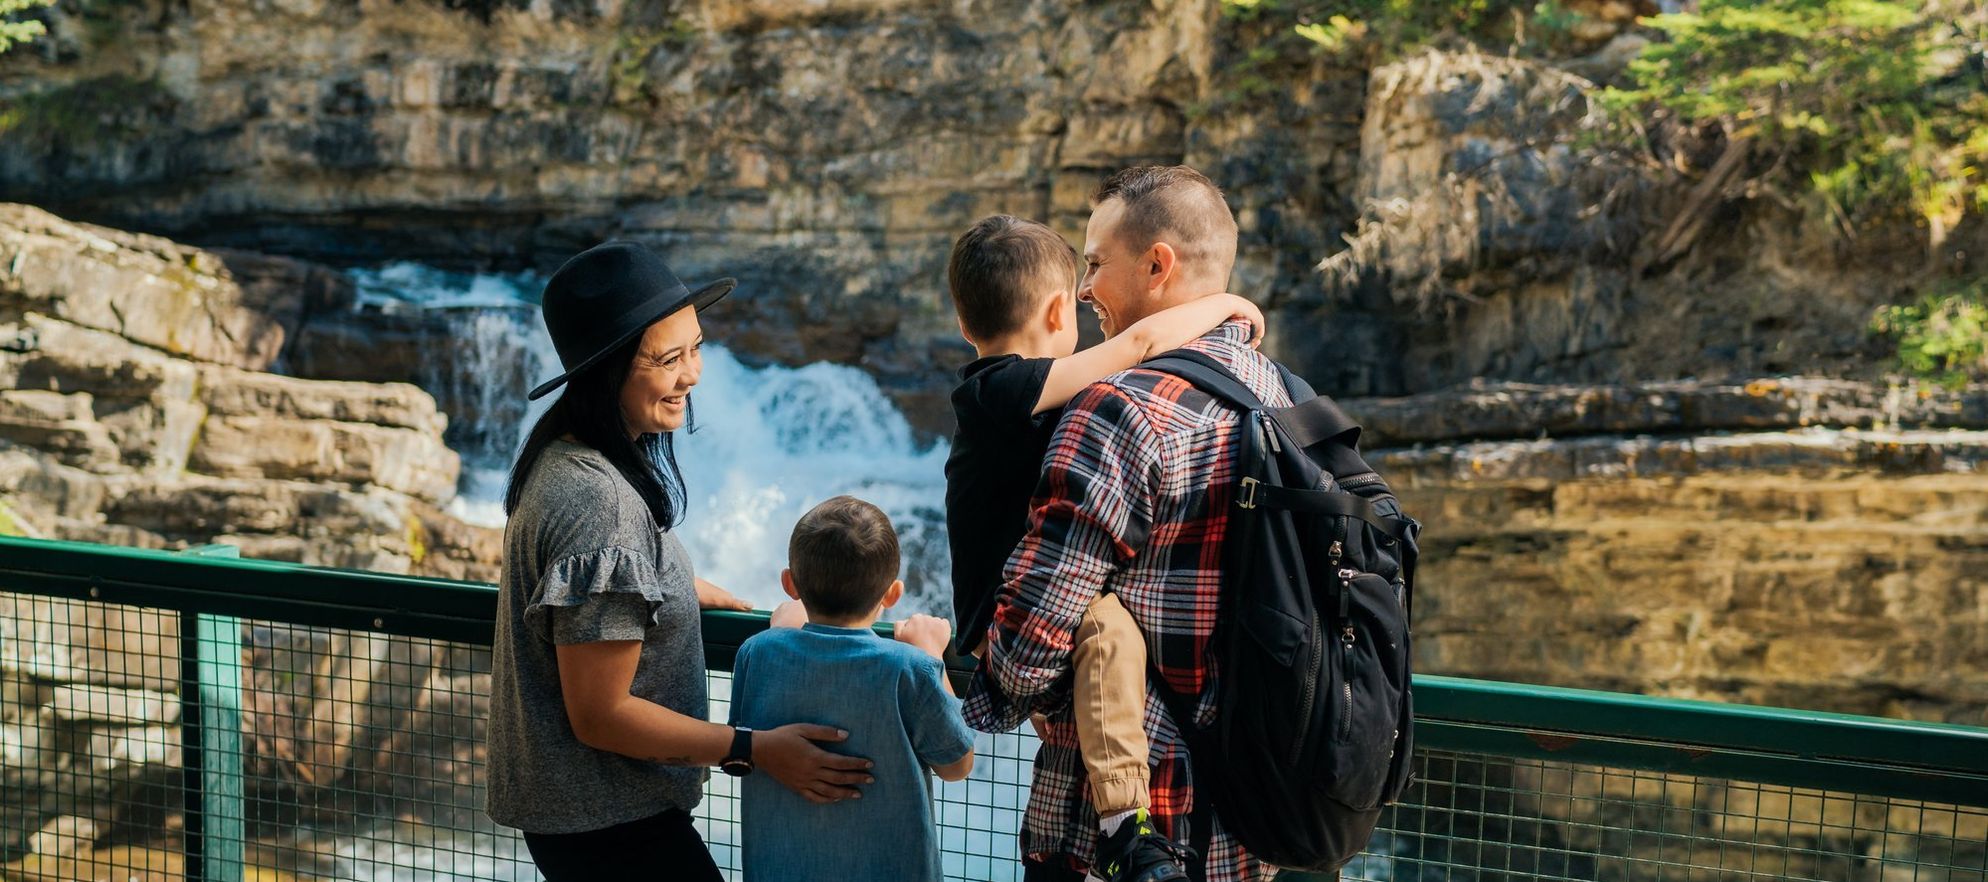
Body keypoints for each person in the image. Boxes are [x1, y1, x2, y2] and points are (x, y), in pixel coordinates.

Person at [486, 241, 876, 881]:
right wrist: (755, 749)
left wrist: (670, 585)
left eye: (696, 348)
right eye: (669, 359)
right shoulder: (599, 503)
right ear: (609, 370)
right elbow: (601, 715)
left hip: (585, 817)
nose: (692, 376)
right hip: (611, 823)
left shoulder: (561, 456)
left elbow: (584, 582)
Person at [963, 167, 1289, 882]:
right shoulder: (1284, 398)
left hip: (1118, 844)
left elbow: (1020, 662)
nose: (1082, 289)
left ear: (1157, 264)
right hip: (1249, 822)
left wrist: (1008, 686)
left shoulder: (1117, 411)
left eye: (1094, 263)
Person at [734, 496, 976, 882]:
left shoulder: (756, 653)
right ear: (893, 594)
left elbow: (742, 747)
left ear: (789, 584)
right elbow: (957, 765)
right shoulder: (909, 669)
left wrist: (781, 631)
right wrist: (933, 655)